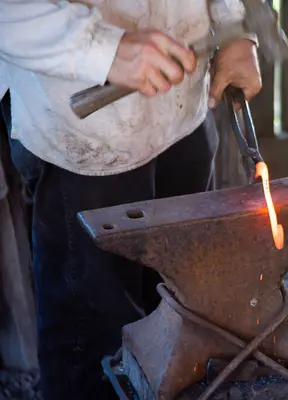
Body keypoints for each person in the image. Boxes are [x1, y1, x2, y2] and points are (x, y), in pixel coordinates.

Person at [0, 1, 263, 399]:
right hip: (83, 135)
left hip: (184, 111)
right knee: (92, 346)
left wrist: (236, 25)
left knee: (183, 321)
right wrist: (102, 48)